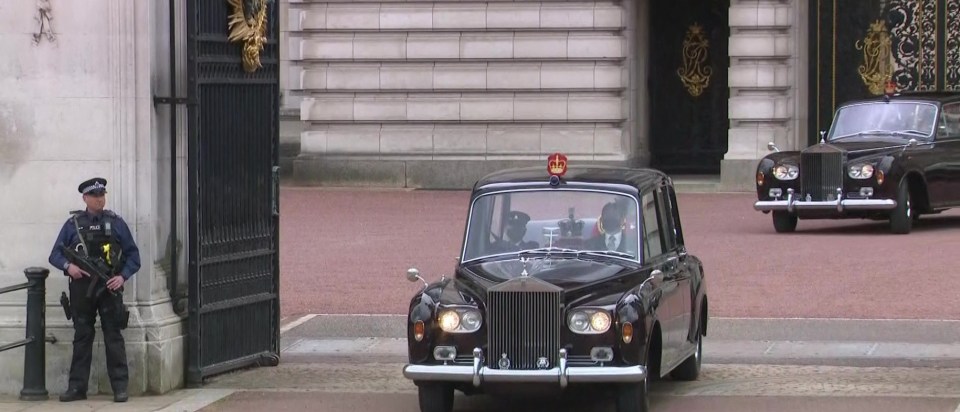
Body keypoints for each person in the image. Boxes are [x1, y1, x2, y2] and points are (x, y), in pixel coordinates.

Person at [47, 177, 141, 403]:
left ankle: (120, 387)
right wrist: (69, 267)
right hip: (81, 289)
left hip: (109, 288)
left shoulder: (116, 223)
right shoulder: (73, 225)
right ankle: (77, 388)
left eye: (102, 195)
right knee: (82, 337)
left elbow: (134, 256)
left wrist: (121, 277)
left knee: (113, 338)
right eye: (95, 196)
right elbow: (55, 256)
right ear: (85, 198)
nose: (100, 199)